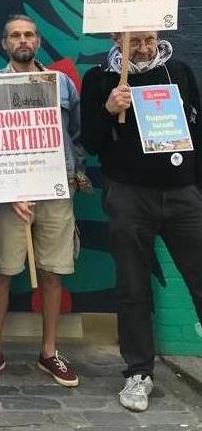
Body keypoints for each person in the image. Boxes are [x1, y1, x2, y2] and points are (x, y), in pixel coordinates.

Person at [81, 31, 202, 412]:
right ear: (119, 38)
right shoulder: (100, 78)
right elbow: (92, 142)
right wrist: (107, 108)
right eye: (137, 42)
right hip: (129, 196)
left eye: (150, 40)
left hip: (183, 194)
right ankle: (139, 371)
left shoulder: (178, 72)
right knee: (132, 288)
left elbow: (197, 130)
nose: (146, 48)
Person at [0, 15, 88, 388]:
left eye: (29, 34)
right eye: (15, 36)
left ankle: (49, 352)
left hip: (55, 191)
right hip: (12, 197)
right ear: (4, 44)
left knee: (53, 272)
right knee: (3, 272)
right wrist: (7, 192)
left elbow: (75, 135)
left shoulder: (63, 86)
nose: (22, 40)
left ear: (37, 41)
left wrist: (72, 176)